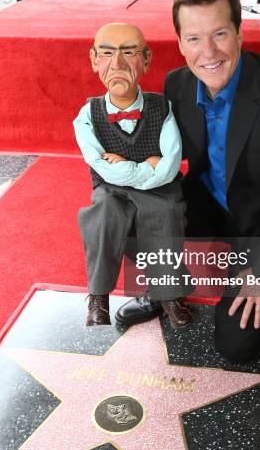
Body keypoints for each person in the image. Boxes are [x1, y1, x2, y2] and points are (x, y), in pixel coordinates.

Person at [124, 0, 260, 362]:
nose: (209, 51)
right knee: (124, 212)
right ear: (180, 43)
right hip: (217, 210)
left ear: (239, 33)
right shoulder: (178, 85)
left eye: (220, 33)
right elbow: (163, 158)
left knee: (234, 345)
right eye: (194, 38)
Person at [74, 23, 194, 330]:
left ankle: (170, 296)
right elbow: (100, 164)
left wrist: (130, 168)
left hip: (160, 188)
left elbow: (171, 163)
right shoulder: (87, 115)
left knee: (165, 211)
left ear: (146, 59)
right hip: (111, 190)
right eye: (106, 53)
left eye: (129, 53)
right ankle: (99, 295)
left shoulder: (162, 107)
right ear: (93, 59)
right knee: (104, 212)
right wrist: (145, 167)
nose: (117, 64)